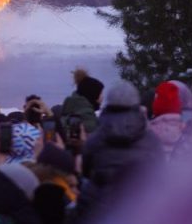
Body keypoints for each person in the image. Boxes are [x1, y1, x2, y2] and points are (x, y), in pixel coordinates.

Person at [79, 81, 160, 216]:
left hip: (100, 207)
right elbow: (161, 173)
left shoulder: (95, 139)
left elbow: (86, 171)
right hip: (140, 206)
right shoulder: (151, 140)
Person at [61, 69, 103, 134]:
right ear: (93, 95)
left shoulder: (67, 111)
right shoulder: (88, 117)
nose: (102, 97)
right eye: (100, 93)